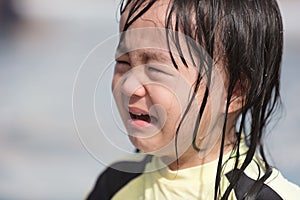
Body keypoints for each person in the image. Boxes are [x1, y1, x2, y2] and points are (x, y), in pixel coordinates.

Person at [87, 0, 300, 199]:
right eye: (123, 62)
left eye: (155, 69)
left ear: (234, 92)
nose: (129, 85)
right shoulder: (115, 184)